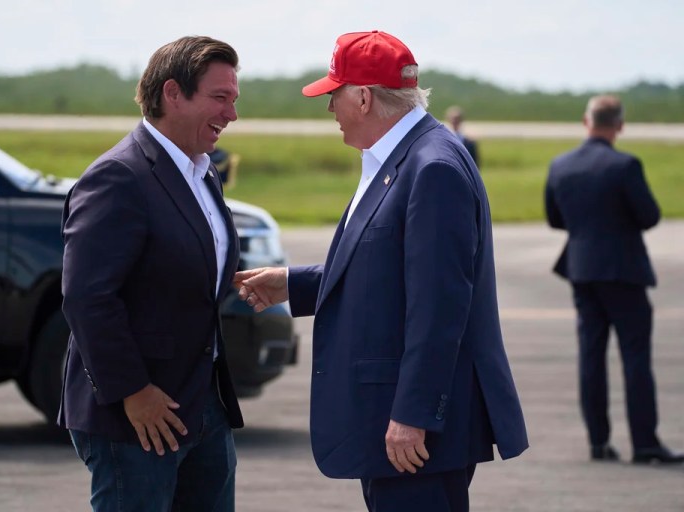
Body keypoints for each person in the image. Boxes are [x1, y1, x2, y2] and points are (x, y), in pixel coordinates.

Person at [235, 30, 528, 512]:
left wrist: (414, 415)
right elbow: (385, 266)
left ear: (364, 97)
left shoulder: (431, 167)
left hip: (415, 435)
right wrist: (293, 283)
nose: (330, 109)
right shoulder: (401, 158)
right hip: (397, 424)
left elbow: (439, 306)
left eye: (334, 95)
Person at [59, 36, 244, 511]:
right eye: (219, 98)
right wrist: (133, 392)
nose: (231, 114)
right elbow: (87, 298)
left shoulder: (202, 172)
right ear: (172, 93)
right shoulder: (118, 176)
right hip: (136, 417)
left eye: (233, 100)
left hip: (202, 406)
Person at [545, 95, 684, 465]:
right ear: (619, 125)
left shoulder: (561, 165)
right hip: (623, 270)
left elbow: (555, 218)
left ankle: (598, 442)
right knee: (635, 357)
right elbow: (649, 215)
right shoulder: (625, 165)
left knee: (591, 357)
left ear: (586, 121)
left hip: (582, 270)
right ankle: (645, 443)